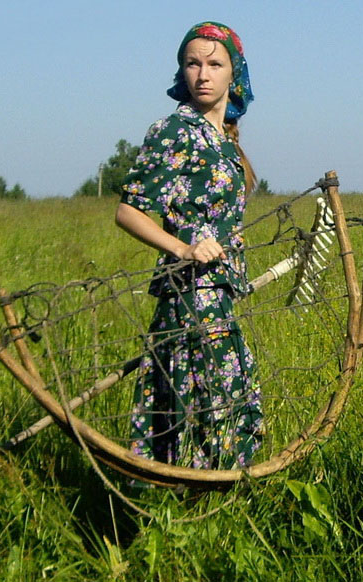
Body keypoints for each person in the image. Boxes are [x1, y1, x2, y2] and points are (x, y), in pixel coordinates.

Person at [115, 21, 262, 470]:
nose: (203, 74)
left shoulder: (223, 139)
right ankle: (180, 502)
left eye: (215, 64)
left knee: (225, 399)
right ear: (182, 72)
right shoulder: (174, 130)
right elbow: (128, 211)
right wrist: (183, 248)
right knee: (196, 403)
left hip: (220, 293)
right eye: (193, 64)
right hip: (188, 294)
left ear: (233, 74)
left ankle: (214, 505)